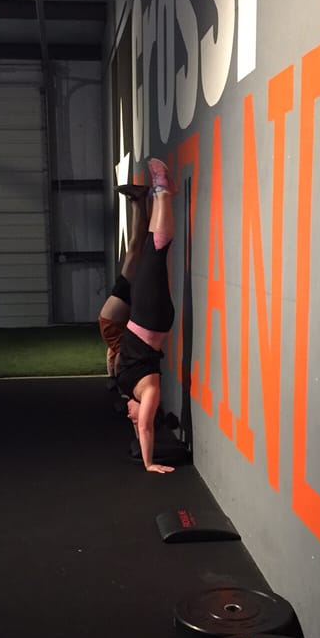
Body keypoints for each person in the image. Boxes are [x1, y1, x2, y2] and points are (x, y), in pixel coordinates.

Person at [116, 157, 178, 474]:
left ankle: (159, 195)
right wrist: (149, 462)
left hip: (143, 316)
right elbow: (145, 427)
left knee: (148, 256)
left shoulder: (130, 388)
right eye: (135, 416)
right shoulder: (149, 391)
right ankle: (163, 192)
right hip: (151, 318)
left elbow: (138, 424)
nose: (130, 416)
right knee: (155, 255)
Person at [98, 183, 151, 377]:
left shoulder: (116, 348)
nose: (112, 366)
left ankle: (138, 201)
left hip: (116, 313)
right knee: (135, 248)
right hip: (116, 314)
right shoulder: (123, 350)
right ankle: (138, 199)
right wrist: (118, 377)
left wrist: (113, 374)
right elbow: (120, 361)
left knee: (136, 248)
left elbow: (113, 359)